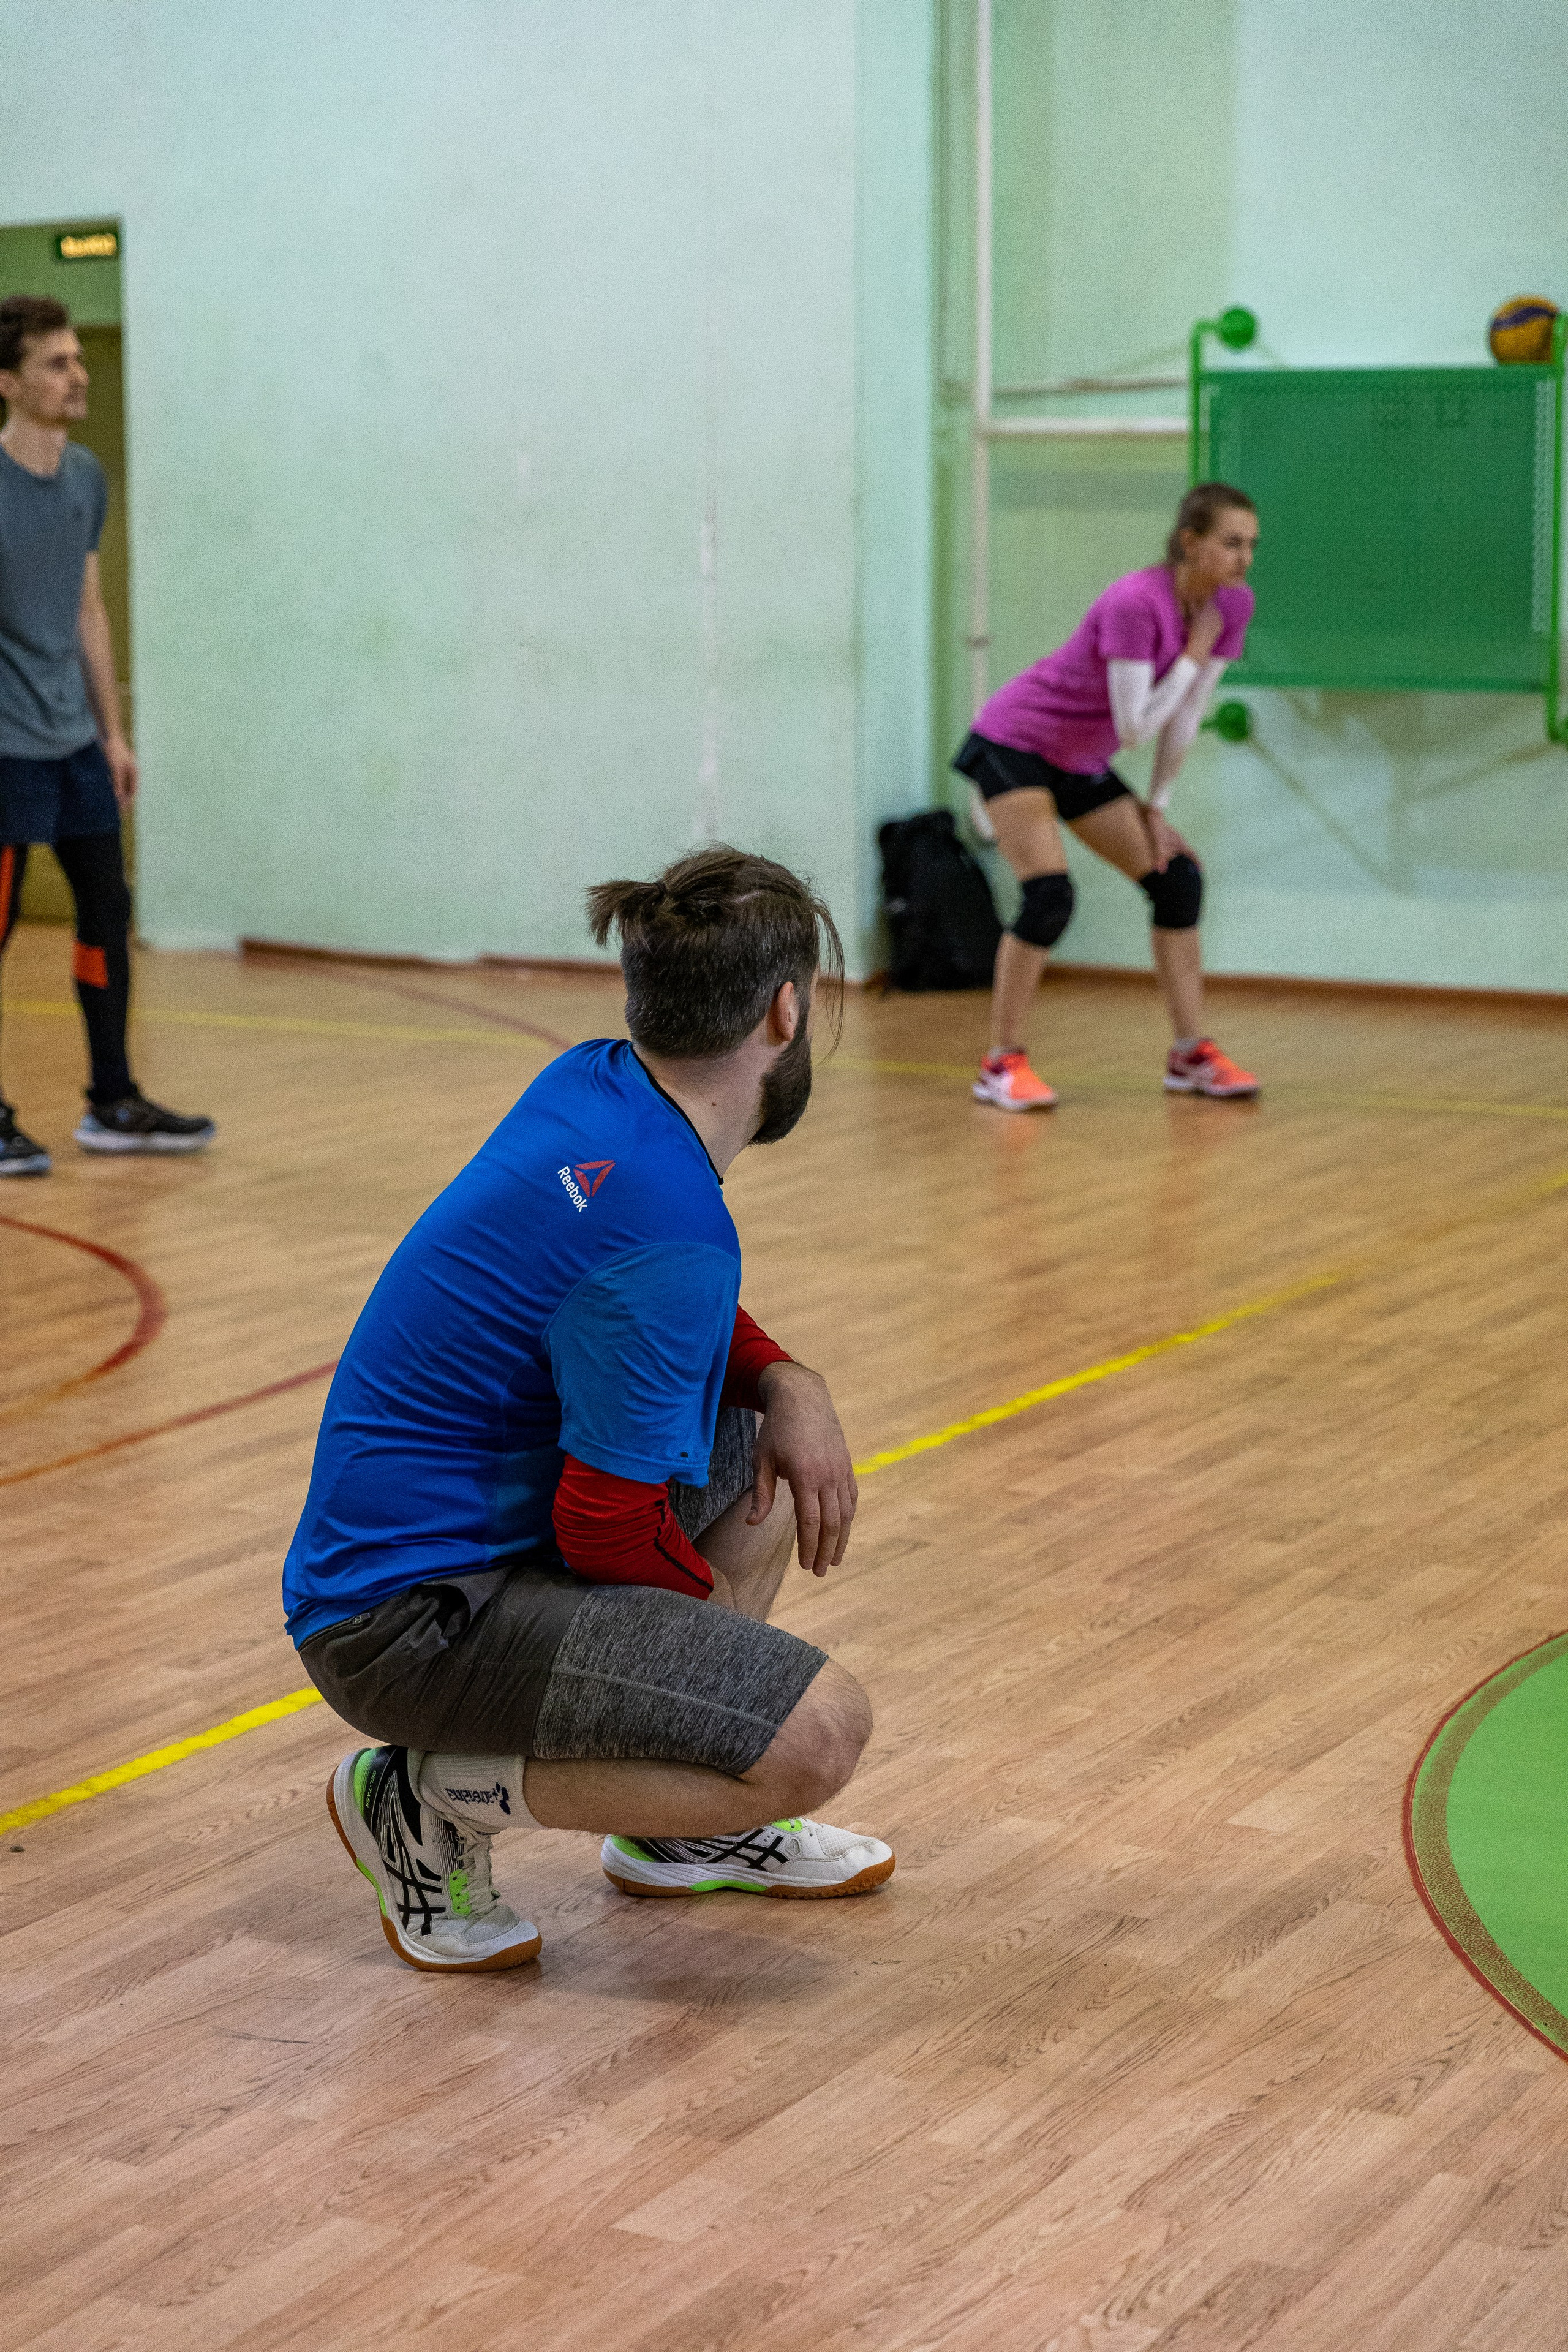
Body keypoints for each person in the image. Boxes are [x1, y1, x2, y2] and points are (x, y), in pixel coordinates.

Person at [284, 845, 892, 1973]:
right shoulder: (672, 1225)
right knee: (815, 1736)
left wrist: (787, 1380)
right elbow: (604, 1526)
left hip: (420, 1567)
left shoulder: (596, 1082)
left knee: (750, 1443)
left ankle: (675, 1832)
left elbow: (627, 1300)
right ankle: (421, 1802)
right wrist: (707, 1679)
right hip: (404, 1625)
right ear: (786, 1010)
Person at [954, 482, 1262, 1110]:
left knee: (1177, 880)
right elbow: (1136, 728)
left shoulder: (1232, 605)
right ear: (1190, 542)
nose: (1244, 558)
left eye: (1251, 545)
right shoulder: (1135, 603)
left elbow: (1185, 717)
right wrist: (1192, 654)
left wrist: (1157, 810)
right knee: (1049, 896)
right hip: (1015, 743)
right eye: (1231, 543)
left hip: (1080, 760)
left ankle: (1190, 1054)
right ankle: (1001, 1063)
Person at [0, 294, 213, 1175]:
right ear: (8, 382)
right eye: (56, 363)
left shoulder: (85, 477)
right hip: (5, 750)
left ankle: (114, 1102)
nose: (76, 376)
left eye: (78, 359)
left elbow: (86, 607)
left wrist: (113, 735)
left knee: (106, 909)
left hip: (73, 742)